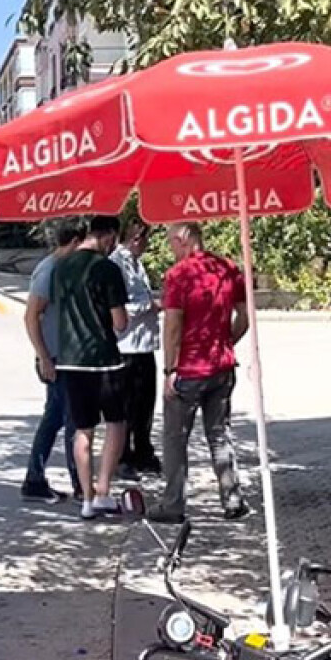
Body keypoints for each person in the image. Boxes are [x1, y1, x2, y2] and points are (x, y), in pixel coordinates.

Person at [149, 222, 250, 524]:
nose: (170, 249)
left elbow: (173, 326)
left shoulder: (179, 275)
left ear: (183, 239)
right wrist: (225, 342)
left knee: (175, 438)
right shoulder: (227, 268)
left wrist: (169, 370)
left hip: (189, 369)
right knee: (220, 435)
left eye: (171, 242)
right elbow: (244, 317)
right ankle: (232, 499)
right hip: (222, 366)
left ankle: (172, 504)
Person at [52, 215, 129, 520]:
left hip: (71, 361)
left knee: (82, 431)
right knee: (116, 424)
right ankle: (103, 492)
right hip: (104, 360)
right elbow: (120, 322)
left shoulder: (61, 269)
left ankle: (85, 498)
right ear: (109, 236)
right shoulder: (106, 269)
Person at [21, 219, 87, 503]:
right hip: (56, 358)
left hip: (64, 355)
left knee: (57, 417)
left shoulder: (61, 268)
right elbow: (31, 316)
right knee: (68, 419)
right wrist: (44, 357)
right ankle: (79, 483)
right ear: (74, 242)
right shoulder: (49, 271)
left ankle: (35, 479)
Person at [109, 220, 162, 480]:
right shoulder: (117, 264)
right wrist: (148, 308)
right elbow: (118, 307)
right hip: (127, 344)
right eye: (146, 239)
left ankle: (143, 449)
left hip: (144, 344)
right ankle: (124, 456)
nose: (148, 245)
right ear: (136, 238)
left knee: (145, 403)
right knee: (128, 405)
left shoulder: (136, 264)